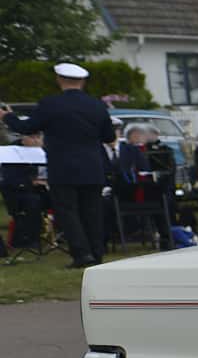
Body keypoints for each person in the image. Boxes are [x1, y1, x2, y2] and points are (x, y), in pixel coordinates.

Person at [2, 62, 116, 266]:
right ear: (82, 81)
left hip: (63, 166)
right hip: (92, 166)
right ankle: (97, 253)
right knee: (92, 212)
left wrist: (8, 117)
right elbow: (108, 136)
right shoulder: (97, 105)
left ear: (59, 80)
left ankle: (82, 254)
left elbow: (28, 127)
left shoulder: (50, 104)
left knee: (68, 211)